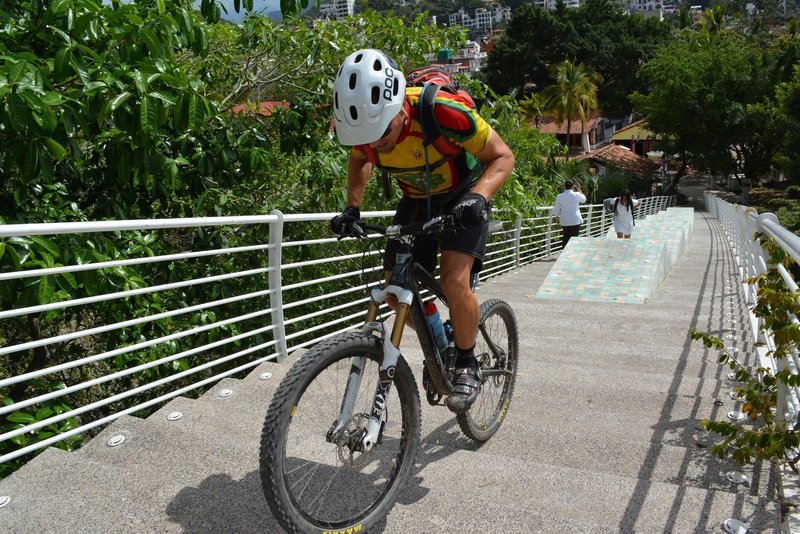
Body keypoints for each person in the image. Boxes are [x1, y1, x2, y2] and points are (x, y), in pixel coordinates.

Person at [329, 49, 515, 414]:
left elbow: (503, 156)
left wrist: (478, 198)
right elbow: (358, 158)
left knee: (454, 281)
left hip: (464, 193)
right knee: (396, 292)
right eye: (368, 137)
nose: (377, 144)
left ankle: (466, 362)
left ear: (400, 107)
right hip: (417, 198)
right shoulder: (362, 132)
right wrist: (352, 207)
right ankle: (442, 338)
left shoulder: (442, 112)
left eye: (384, 133)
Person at [551, 180, 586, 250]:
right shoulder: (577, 194)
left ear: (565, 186)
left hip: (565, 220)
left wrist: (557, 217)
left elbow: (556, 208)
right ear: (573, 186)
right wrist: (579, 190)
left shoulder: (560, 196)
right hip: (575, 220)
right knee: (574, 238)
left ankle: (564, 253)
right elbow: (584, 200)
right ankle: (573, 253)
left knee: (565, 237)